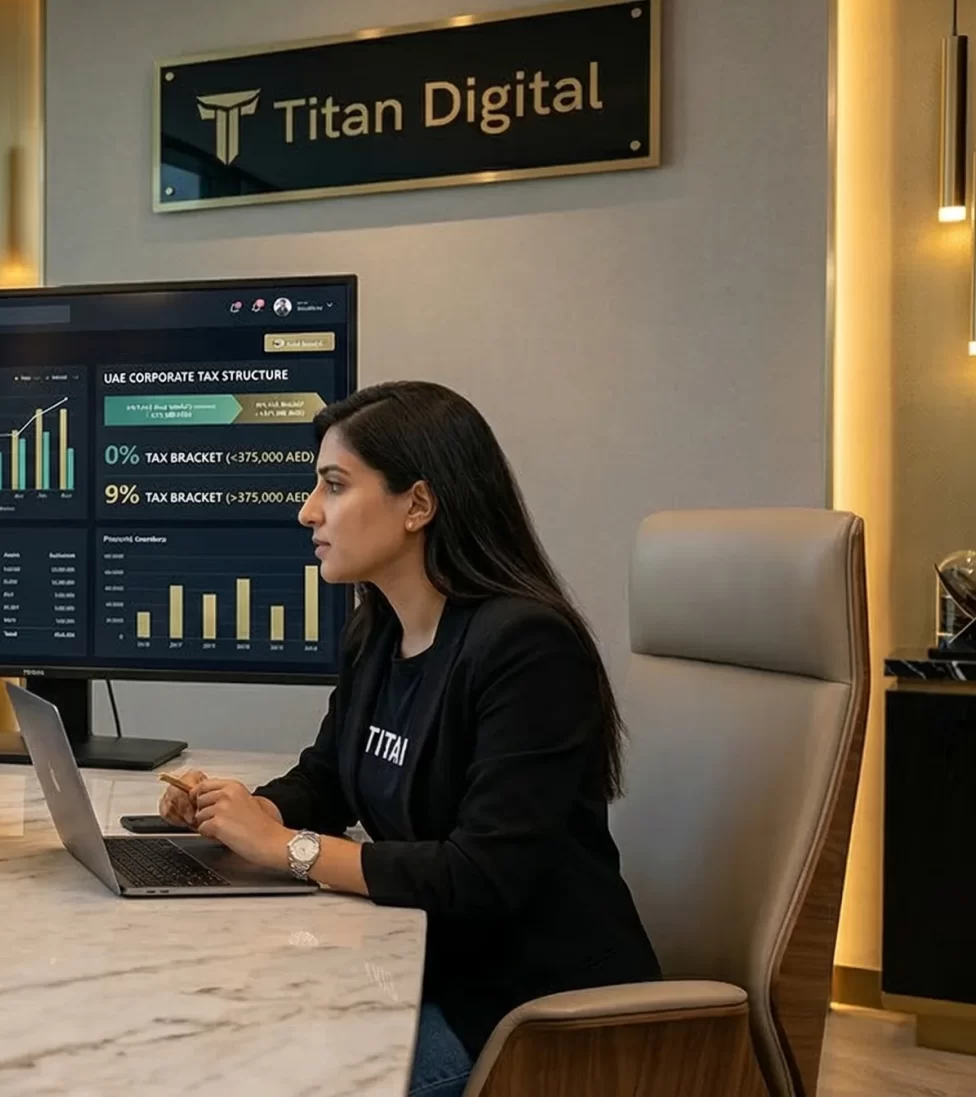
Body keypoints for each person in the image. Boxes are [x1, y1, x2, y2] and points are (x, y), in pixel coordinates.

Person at [159, 381, 659, 1097]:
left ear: (418, 505)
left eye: (334, 486)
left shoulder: (526, 647)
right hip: (423, 966)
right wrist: (250, 811)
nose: (308, 510)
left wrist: (289, 850)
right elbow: (329, 776)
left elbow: (480, 875)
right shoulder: (378, 629)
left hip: (527, 1015)